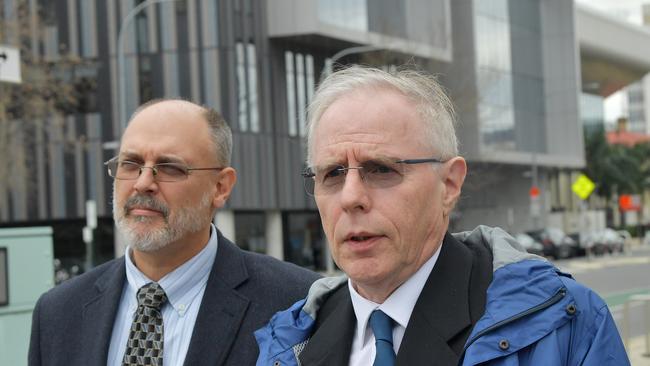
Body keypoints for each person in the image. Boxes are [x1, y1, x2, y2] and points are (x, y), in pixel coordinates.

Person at [255, 66, 629, 365]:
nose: (351, 197)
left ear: (449, 184)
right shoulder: (289, 342)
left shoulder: (564, 325)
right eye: (333, 173)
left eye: (381, 169)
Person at [29, 99, 320, 366]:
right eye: (130, 164)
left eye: (169, 168)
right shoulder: (57, 314)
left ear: (220, 187)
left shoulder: (297, 303)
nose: (143, 183)